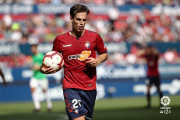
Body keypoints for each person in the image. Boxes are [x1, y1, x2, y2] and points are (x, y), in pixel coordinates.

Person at [40, 4, 108, 120]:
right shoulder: (60, 40)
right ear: (71, 18)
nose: (81, 23)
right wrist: (43, 69)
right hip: (70, 86)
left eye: (84, 20)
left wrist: (97, 60)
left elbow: (104, 54)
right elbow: (52, 59)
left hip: (89, 87)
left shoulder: (94, 37)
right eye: (78, 19)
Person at [30, 44, 52, 112]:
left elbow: (47, 64)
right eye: (31, 48)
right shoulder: (32, 57)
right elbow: (32, 66)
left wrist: (39, 66)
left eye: (33, 48)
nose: (32, 49)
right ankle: (37, 107)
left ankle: (49, 105)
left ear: (36, 48)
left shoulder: (41, 56)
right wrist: (32, 67)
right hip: (35, 76)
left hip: (42, 76)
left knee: (45, 91)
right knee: (33, 89)